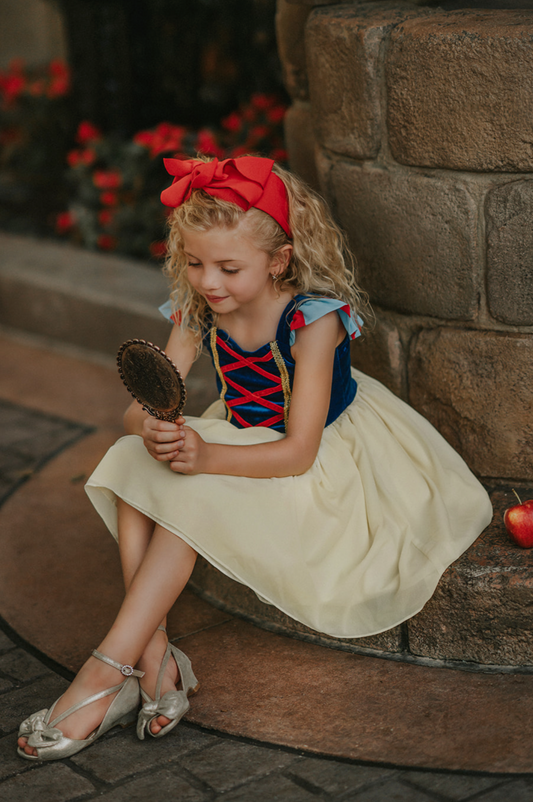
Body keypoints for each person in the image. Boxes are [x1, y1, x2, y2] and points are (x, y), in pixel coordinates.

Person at [17, 156, 493, 760]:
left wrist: (203, 453)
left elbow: (298, 451)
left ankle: (108, 674)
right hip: (236, 437)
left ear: (279, 260)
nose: (209, 282)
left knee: (187, 489)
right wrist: (155, 428)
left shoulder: (312, 322)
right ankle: (154, 659)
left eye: (228, 267)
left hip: (320, 464)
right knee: (133, 459)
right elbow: (141, 409)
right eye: (194, 263)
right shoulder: (196, 309)